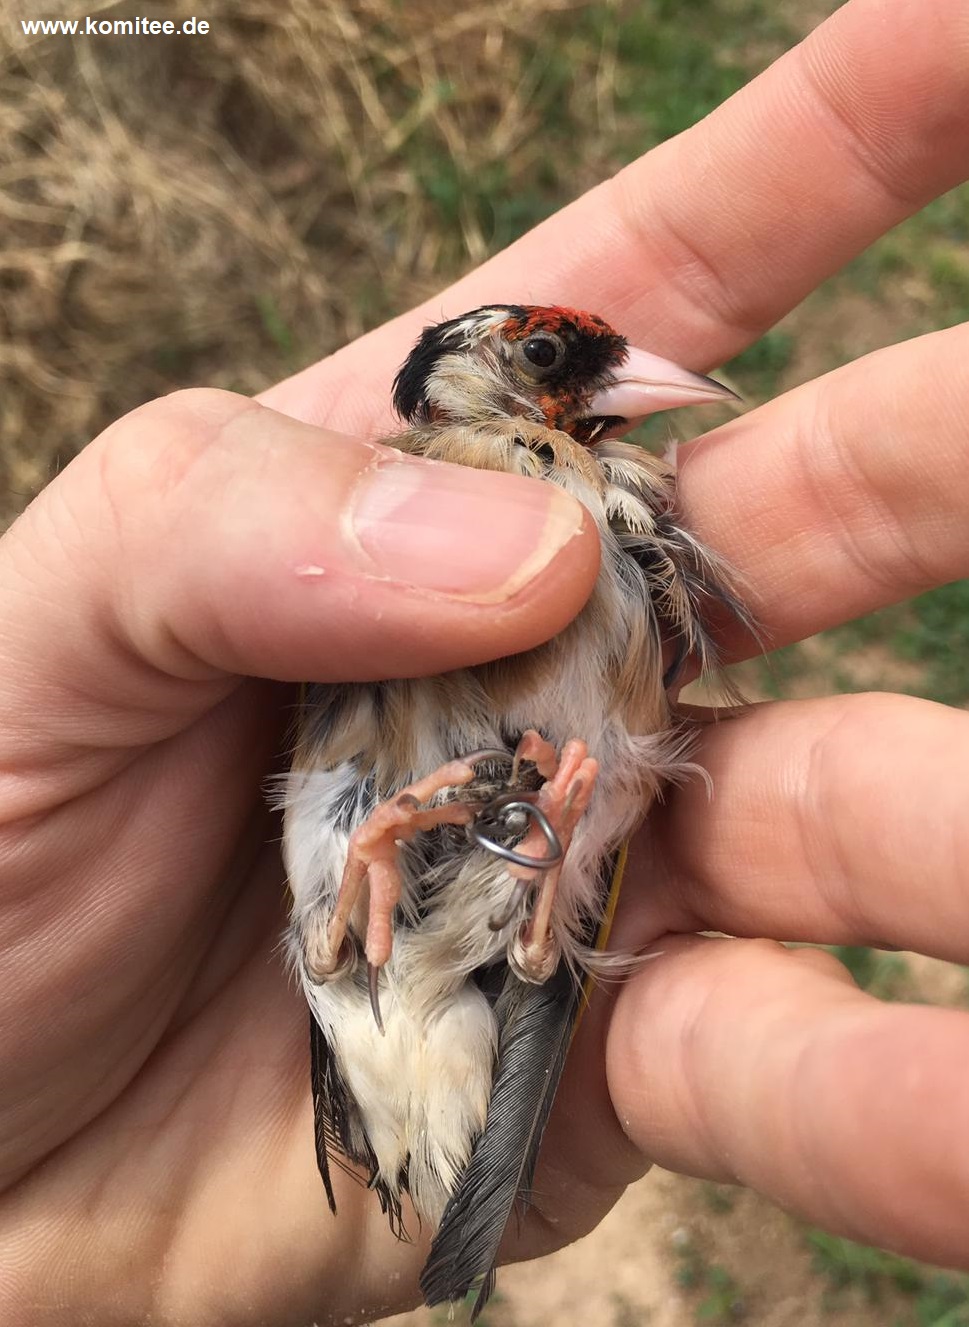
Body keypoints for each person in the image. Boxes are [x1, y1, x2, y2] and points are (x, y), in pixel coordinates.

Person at [2, 0, 968, 1320]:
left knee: (463, 927)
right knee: (432, 912)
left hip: (438, 937)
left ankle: (459, 914)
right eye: (556, 357)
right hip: (395, 950)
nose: (605, 385)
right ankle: (435, 904)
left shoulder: (619, 527)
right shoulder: (421, 484)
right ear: (466, 383)